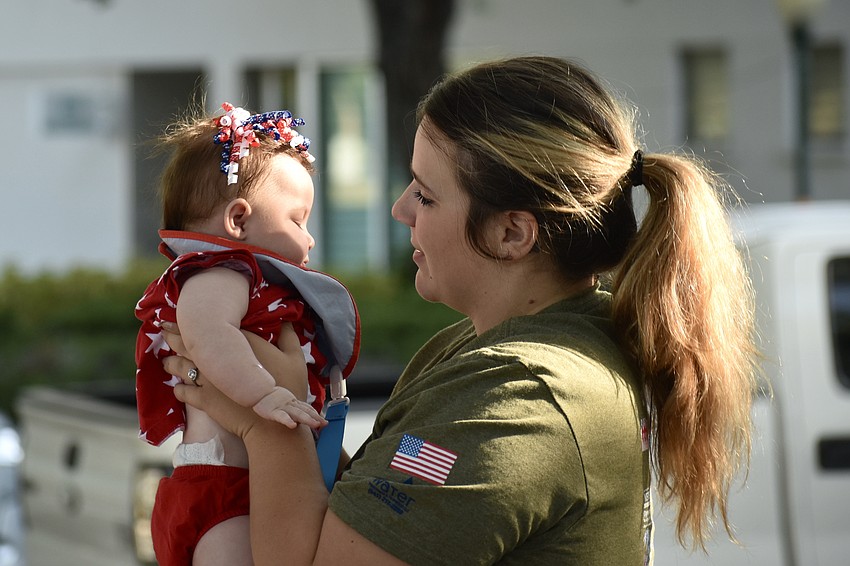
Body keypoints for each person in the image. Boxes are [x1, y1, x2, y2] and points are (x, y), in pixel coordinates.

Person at [164, 56, 758, 565]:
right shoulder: (487, 348)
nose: (401, 210)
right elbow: (364, 513)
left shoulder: (520, 399)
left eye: (425, 193)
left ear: (511, 233)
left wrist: (267, 419)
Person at [134, 102, 360, 565]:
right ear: (238, 221)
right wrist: (266, 395)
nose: (310, 239)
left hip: (249, 481)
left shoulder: (249, 281)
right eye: (298, 220)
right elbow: (207, 335)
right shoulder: (218, 272)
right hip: (223, 489)